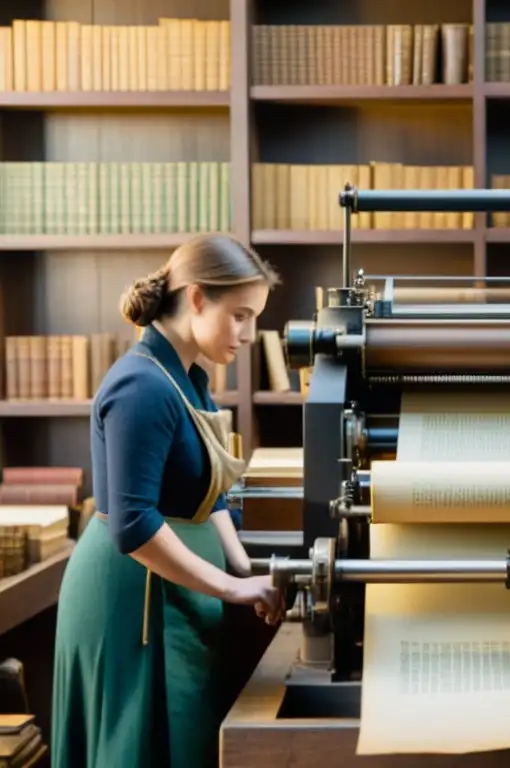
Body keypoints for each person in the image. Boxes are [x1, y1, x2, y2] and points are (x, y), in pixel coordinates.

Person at [51, 234, 286, 768]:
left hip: (178, 586)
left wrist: (247, 568)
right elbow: (133, 525)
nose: (248, 335)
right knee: (143, 746)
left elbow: (211, 494)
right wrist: (233, 585)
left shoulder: (190, 378)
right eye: (241, 316)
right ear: (198, 298)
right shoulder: (141, 388)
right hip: (135, 597)